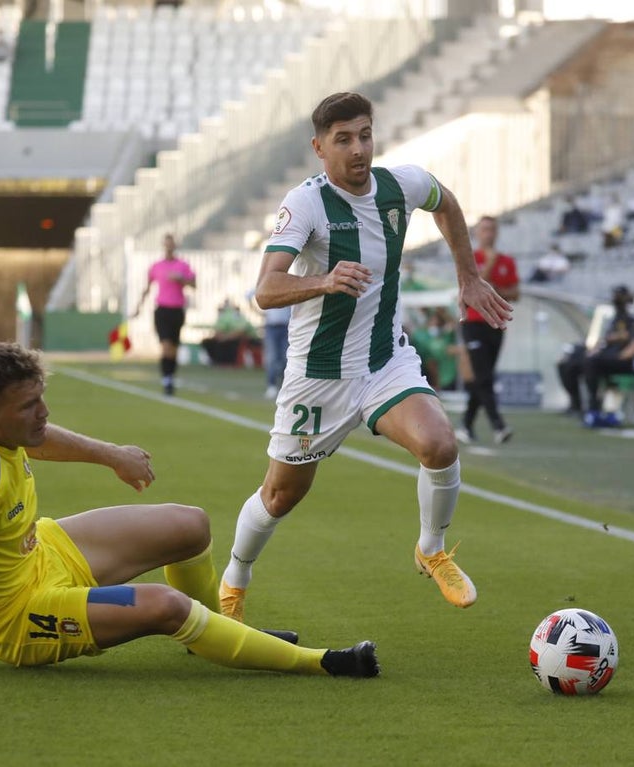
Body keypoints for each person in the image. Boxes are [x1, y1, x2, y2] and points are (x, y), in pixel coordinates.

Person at [0, 341, 378, 686]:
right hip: (14, 614)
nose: (43, 412)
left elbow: (34, 437)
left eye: (41, 397)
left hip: (39, 553)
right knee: (166, 606)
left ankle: (215, 634)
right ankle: (321, 661)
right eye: (29, 406)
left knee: (190, 525)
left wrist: (112, 455)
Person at [218, 92, 513, 622]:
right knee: (280, 496)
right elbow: (265, 289)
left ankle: (431, 549)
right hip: (318, 376)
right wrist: (324, 280)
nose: (358, 149)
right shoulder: (306, 204)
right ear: (319, 148)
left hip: (384, 363)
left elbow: (446, 203)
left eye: (365, 135)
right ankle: (235, 579)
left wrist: (468, 276)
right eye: (343, 139)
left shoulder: (402, 185)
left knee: (440, 444)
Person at [458, 215, 519, 444]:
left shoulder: (507, 261)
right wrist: (490, 265)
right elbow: (471, 288)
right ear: (477, 233)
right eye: (484, 229)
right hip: (473, 322)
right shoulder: (470, 259)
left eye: (492, 229)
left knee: (483, 375)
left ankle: (466, 424)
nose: (488, 234)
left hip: (496, 322)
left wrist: (496, 290)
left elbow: (516, 293)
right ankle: (498, 425)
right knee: (484, 376)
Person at [556, 285, 634, 420]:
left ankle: (593, 405)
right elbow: (603, 340)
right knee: (568, 363)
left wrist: (615, 340)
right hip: (605, 353)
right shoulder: (613, 317)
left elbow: (632, 340)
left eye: (618, 296)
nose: (615, 299)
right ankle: (576, 405)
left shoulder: (633, 318)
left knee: (591, 361)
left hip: (619, 359)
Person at [131, 234, 196, 396]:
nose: (169, 247)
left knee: (173, 348)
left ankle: (171, 376)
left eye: (171, 244)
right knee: (165, 345)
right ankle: (166, 379)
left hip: (177, 310)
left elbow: (194, 284)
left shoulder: (183, 266)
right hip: (162, 310)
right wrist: (138, 307)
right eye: (166, 244)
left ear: (175, 246)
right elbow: (147, 288)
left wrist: (181, 279)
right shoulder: (156, 266)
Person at [581, 287, 634, 427]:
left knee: (592, 362)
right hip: (617, 356)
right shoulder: (625, 315)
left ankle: (594, 409)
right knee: (587, 360)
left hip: (630, 362)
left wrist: (619, 355)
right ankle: (595, 409)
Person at [200, 299, 258, 366]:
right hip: (229, 338)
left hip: (243, 340)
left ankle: (229, 362)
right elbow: (218, 331)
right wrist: (222, 337)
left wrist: (225, 337)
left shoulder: (238, 317)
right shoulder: (223, 317)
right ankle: (217, 361)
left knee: (230, 344)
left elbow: (240, 332)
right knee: (212, 342)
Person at [262, 303, 291, 399]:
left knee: (286, 357)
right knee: (271, 358)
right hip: (271, 326)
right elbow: (250, 297)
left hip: (287, 326)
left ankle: (285, 385)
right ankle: (272, 385)